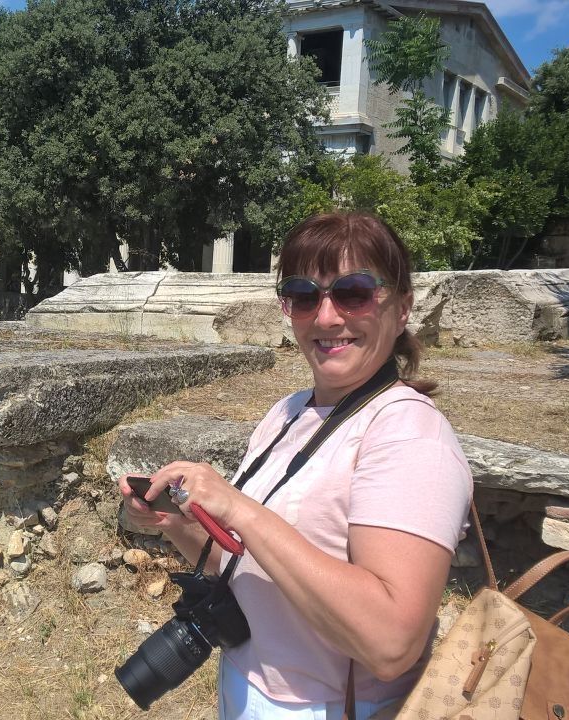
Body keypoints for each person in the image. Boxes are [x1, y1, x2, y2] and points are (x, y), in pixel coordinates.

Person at [119, 212, 472, 720]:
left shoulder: (409, 435)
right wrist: (172, 523)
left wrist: (240, 509)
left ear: (401, 309)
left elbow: (391, 643)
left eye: (353, 292)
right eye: (304, 295)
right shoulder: (289, 412)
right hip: (248, 686)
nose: (326, 318)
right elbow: (243, 565)